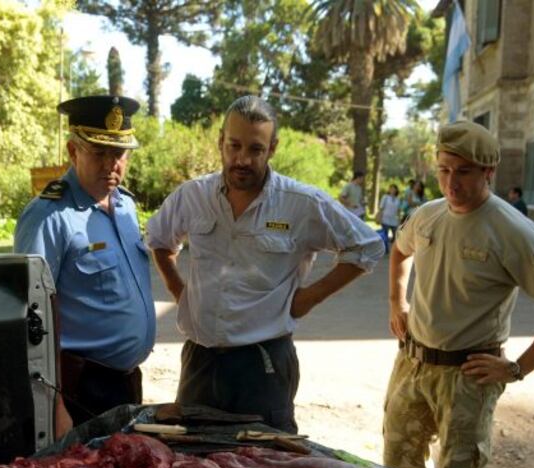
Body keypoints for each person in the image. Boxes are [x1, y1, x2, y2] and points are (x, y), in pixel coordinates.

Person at [146, 96, 384, 433]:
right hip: (201, 361)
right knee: (195, 463)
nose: (242, 159)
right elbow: (158, 238)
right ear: (221, 142)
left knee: (263, 463)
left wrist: (307, 298)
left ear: (272, 148)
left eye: (255, 149)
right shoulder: (192, 196)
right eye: (234, 146)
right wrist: (178, 289)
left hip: (263, 364)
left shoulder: (301, 203)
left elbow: (367, 246)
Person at [384, 120, 534, 468]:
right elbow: (399, 250)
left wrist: (516, 368)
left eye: (463, 172)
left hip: (467, 377)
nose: (451, 183)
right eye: (443, 170)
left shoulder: (513, 231)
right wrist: (398, 301)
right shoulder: (428, 214)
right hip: (412, 364)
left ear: (488, 172)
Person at [14, 95, 155, 432]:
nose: (112, 164)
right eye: (99, 152)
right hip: (79, 390)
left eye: (119, 154)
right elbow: (27, 316)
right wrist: (54, 405)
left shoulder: (125, 207)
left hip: (124, 384)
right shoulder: (49, 216)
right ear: (73, 151)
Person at [376, 183, 402, 253]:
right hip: (385, 219)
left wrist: (399, 220)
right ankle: (385, 250)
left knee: (395, 236)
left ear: (396, 190)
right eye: (391, 189)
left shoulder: (398, 199)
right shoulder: (385, 197)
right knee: (385, 235)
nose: (392, 190)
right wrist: (379, 218)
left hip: (394, 220)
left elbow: (399, 211)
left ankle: (395, 250)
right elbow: (381, 208)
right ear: (389, 190)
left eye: (394, 189)